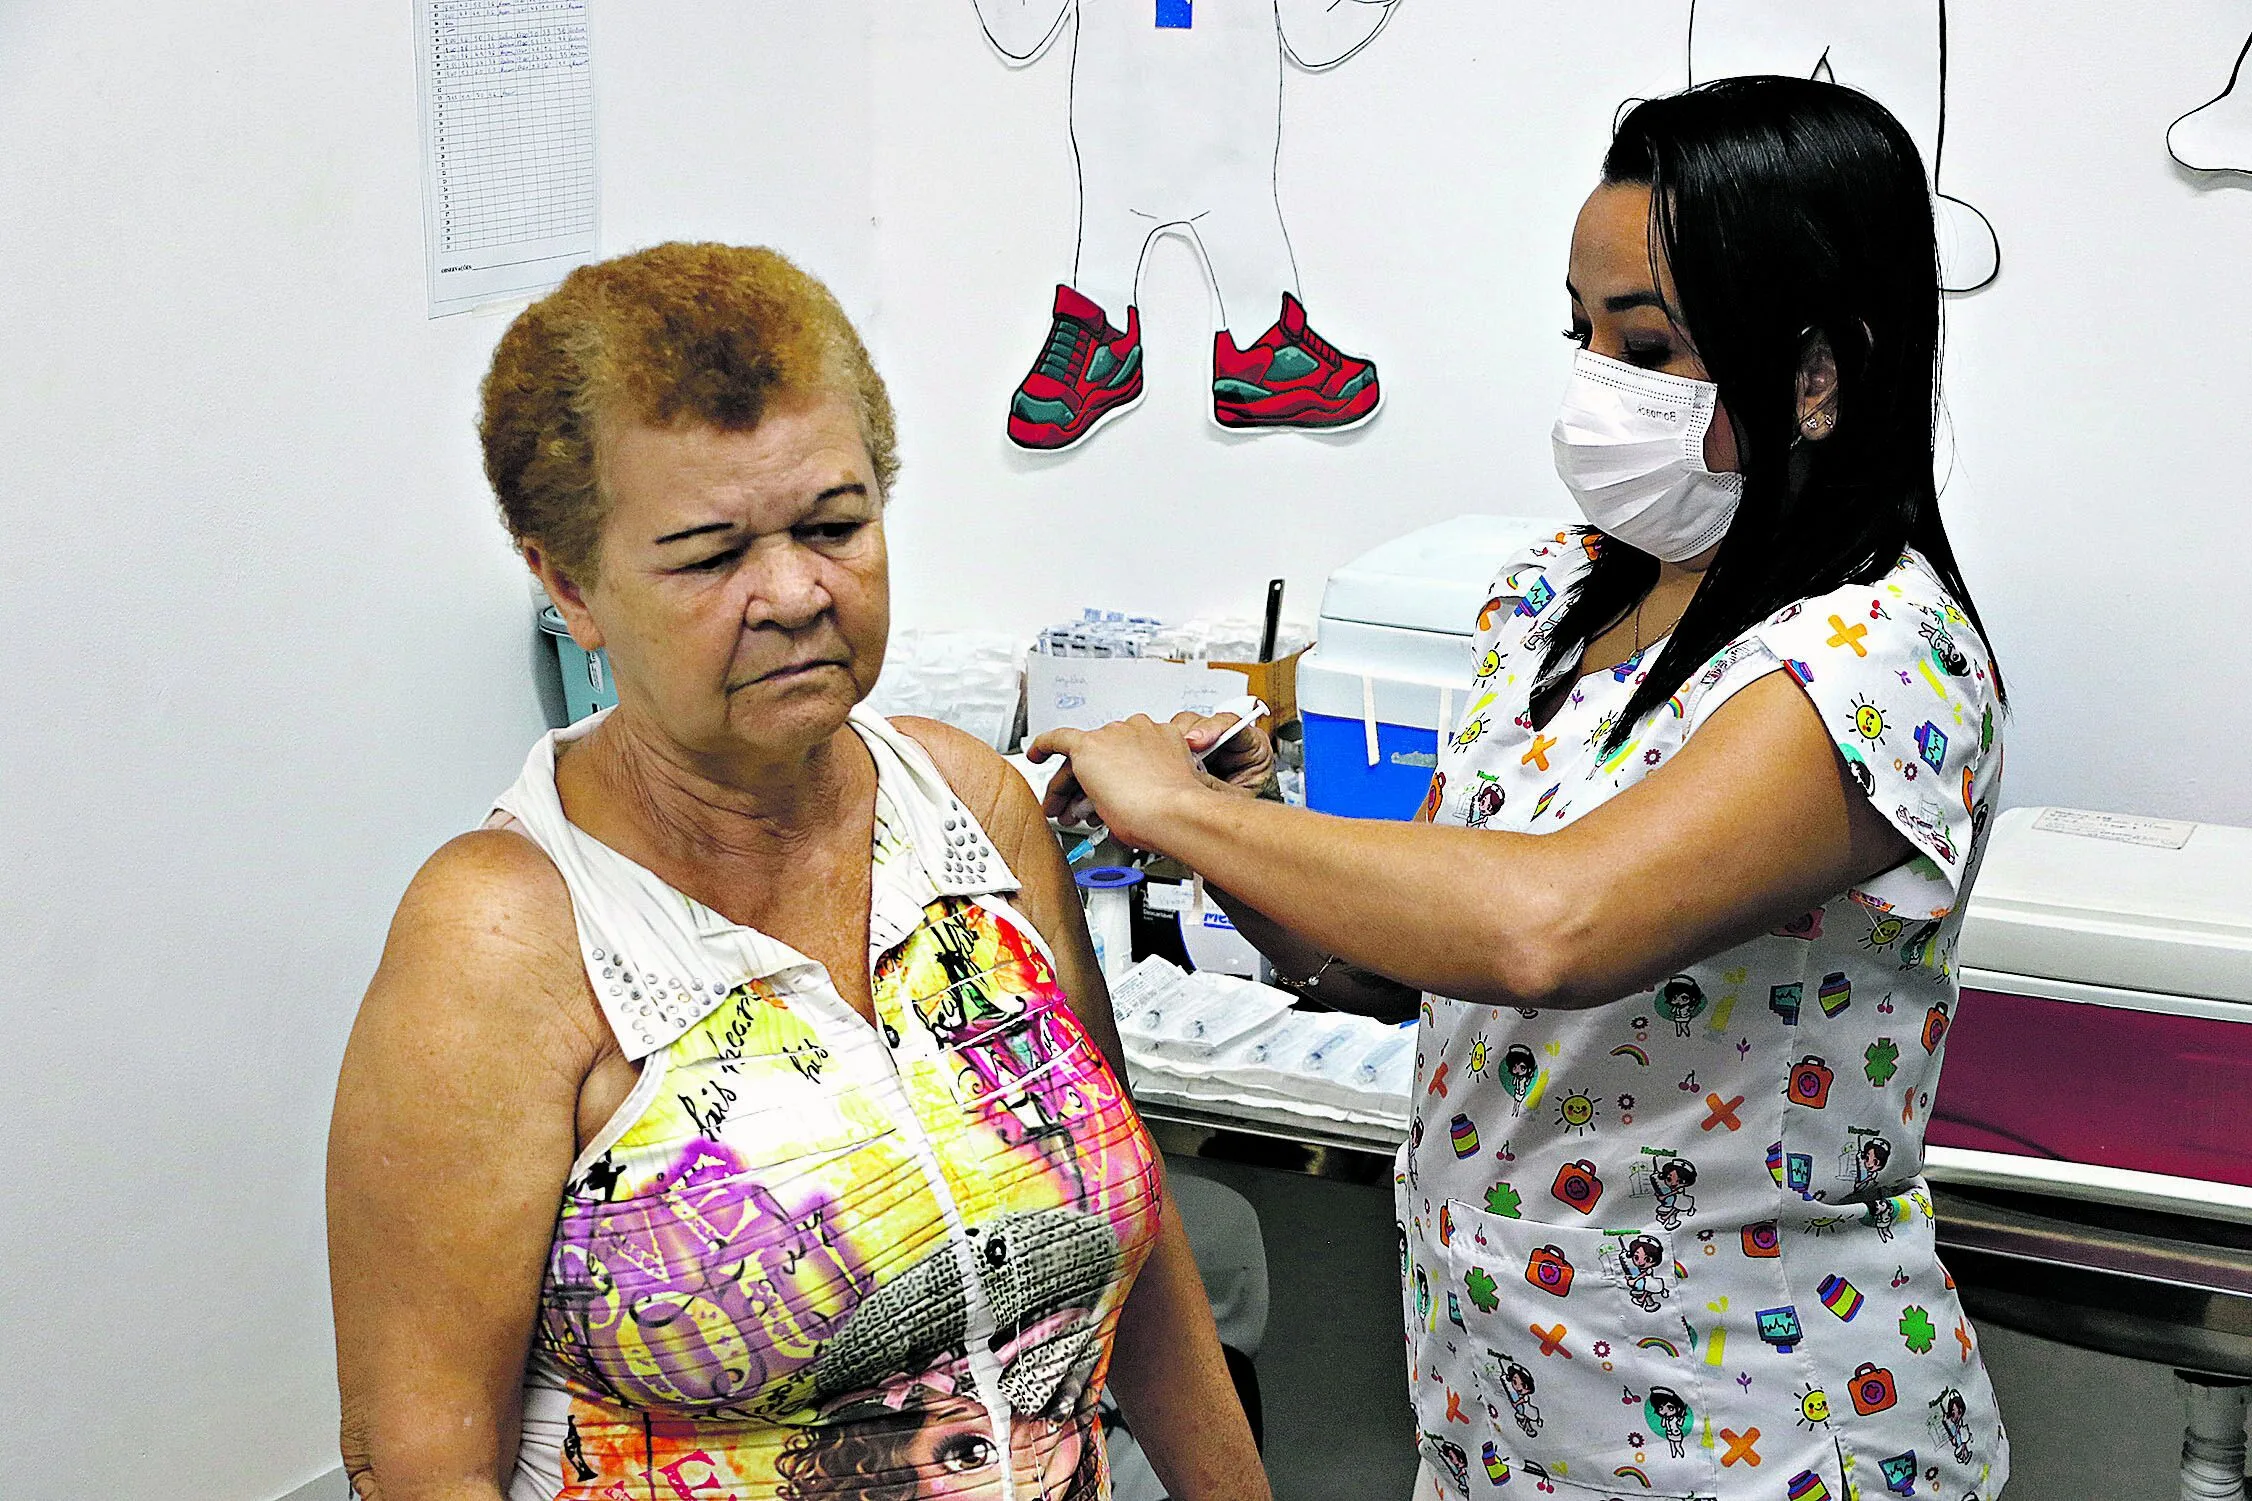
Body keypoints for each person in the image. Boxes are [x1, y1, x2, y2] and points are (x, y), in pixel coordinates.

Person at [1031, 78, 2011, 1500]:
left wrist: (1187, 812)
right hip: (1504, 1421)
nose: (1597, 380)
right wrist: (1247, 829)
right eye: (1584, 331)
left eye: (1649, 343)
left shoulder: (1877, 657)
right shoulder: (1552, 601)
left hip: (1771, 1433)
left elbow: (1548, 928)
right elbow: (1380, 958)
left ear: (1815, 373)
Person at [326, 242, 1267, 1501]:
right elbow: (414, 1460)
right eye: (710, 555)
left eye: (834, 526)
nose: (791, 594)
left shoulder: (972, 815)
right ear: (570, 584)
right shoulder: (505, 938)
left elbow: (1135, 1237)